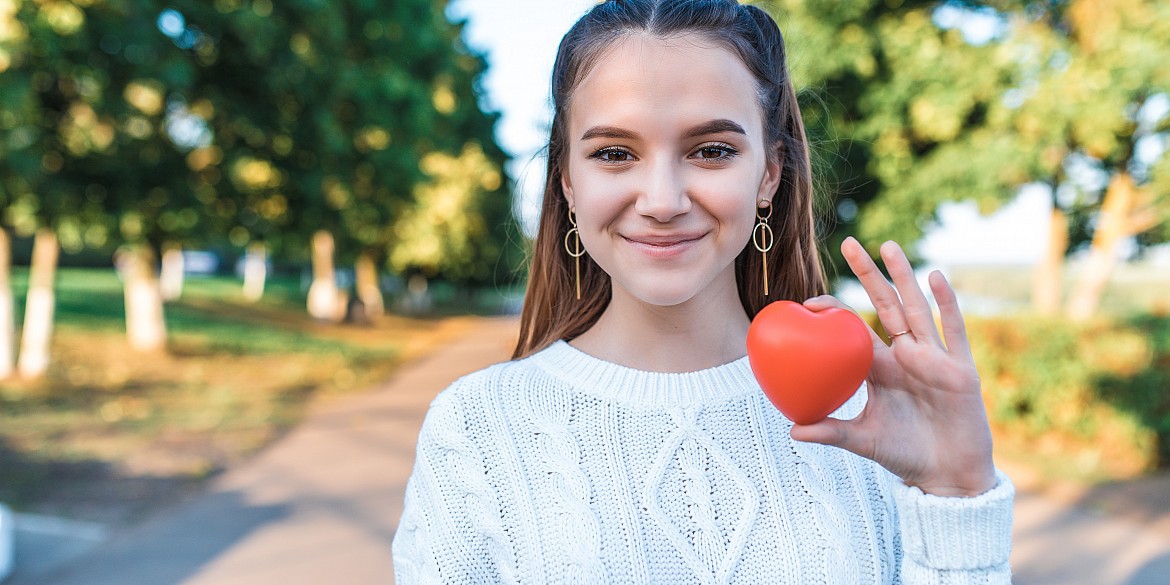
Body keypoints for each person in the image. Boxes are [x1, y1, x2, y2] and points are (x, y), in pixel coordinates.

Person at [393, 0, 1014, 582]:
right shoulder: (478, 431)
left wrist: (956, 497)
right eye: (614, 152)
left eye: (711, 150)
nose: (662, 201)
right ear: (567, 184)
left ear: (769, 173)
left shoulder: (874, 419)